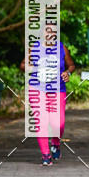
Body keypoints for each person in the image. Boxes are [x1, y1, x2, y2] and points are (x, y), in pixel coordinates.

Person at [21, 38, 75, 166]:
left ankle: (55, 143)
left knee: (59, 124)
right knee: (42, 122)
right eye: (47, 30)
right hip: (37, 89)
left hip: (57, 90)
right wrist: (29, 67)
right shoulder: (34, 48)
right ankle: (46, 155)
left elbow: (71, 65)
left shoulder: (63, 48)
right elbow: (23, 64)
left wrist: (68, 73)